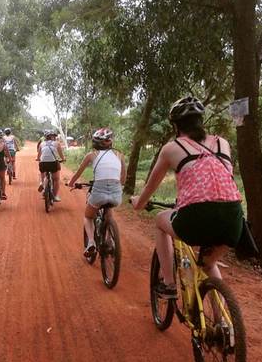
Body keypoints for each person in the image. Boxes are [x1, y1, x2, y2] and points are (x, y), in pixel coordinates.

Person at [130, 96, 243, 299]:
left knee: (159, 221)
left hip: (196, 217)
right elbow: (219, 179)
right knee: (209, 263)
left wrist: (139, 203)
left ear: (176, 126)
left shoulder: (172, 148)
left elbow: (150, 186)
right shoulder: (222, 143)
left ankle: (169, 284)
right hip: (233, 218)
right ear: (201, 120)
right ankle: (224, 325)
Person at [68, 128, 126, 256]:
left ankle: (91, 243)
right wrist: (117, 186)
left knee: (88, 217)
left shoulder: (91, 155)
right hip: (116, 194)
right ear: (110, 142)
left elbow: (78, 172)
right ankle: (110, 240)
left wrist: (71, 183)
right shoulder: (120, 155)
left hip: (98, 192)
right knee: (109, 208)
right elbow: (123, 178)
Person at [37, 130, 66, 201]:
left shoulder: (42, 144)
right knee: (56, 179)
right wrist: (63, 159)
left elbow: (38, 156)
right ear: (53, 137)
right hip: (53, 163)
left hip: (43, 163)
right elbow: (61, 155)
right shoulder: (57, 143)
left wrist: (38, 159)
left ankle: (43, 183)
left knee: (43, 171)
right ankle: (55, 196)